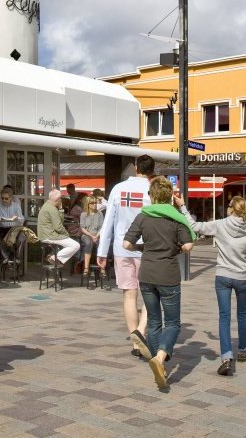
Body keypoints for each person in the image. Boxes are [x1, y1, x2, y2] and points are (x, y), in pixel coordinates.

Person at [190, 196, 246, 375]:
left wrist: (183, 207)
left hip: (223, 276)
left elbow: (195, 226)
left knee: (224, 317)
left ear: (231, 209)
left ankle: (226, 357)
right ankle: (243, 350)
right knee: (242, 314)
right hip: (242, 278)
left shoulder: (220, 224)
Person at [123, 177, 195, 389]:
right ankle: (160, 358)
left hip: (146, 275)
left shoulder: (143, 216)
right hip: (168, 276)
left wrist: (141, 248)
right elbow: (189, 244)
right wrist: (176, 249)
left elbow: (126, 243)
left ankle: (157, 363)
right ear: (169, 195)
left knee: (154, 322)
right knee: (172, 323)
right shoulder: (175, 218)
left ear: (151, 196)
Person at [98, 155, 156, 359]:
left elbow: (108, 222)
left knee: (129, 295)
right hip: (146, 248)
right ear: (152, 170)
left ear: (136, 168)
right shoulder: (152, 190)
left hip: (121, 248)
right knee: (151, 293)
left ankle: (135, 341)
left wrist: (101, 252)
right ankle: (141, 329)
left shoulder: (118, 189)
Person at [38, 189, 80, 267]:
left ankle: (54, 256)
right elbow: (58, 226)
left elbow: (60, 221)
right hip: (50, 235)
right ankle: (54, 257)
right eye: (60, 198)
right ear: (58, 199)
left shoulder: (48, 205)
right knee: (76, 245)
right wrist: (67, 234)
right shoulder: (52, 209)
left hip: (46, 235)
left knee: (68, 243)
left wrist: (60, 208)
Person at [0, 187, 24, 266]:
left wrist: (17, 218)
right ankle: (7, 256)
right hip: (2, 228)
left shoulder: (16, 206)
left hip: (13, 228)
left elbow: (22, 218)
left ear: (11, 198)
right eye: (2, 198)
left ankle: (14, 256)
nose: (4, 200)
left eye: (6, 198)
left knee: (19, 238)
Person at [79, 195, 104, 282]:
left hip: (97, 234)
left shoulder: (100, 214)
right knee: (88, 243)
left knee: (102, 244)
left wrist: (97, 235)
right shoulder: (84, 214)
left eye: (95, 203)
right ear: (88, 204)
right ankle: (86, 268)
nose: (94, 205)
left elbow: (102, 227)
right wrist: (91, 236)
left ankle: (102, 268)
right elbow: (82, 228)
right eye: (92, 203)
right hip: (87, 234)